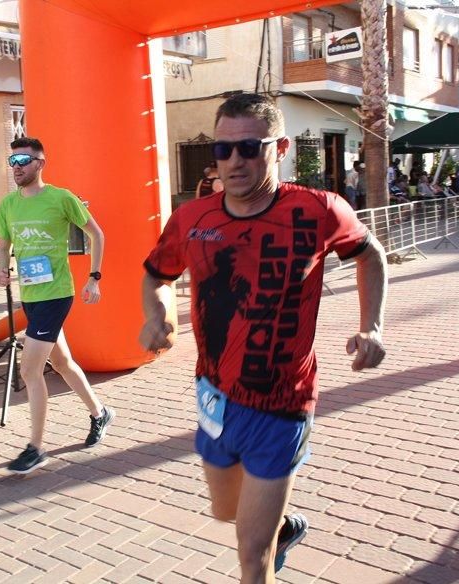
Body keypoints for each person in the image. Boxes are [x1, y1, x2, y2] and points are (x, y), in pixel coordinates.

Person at [139, 93, 388, 583]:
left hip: (283, 402)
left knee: (251, 554)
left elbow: (370, 253)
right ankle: (283, 527)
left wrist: (372, 325)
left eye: (250, 148)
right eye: (223, 150)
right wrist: (156, 316)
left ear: (281, 148)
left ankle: (268, 542)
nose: (234, 161)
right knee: (226, 511)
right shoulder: (192, 219)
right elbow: (155, 275)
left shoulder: (318, 210)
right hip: (213, 396)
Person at [0, 136, 115, 474]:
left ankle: (35, 448)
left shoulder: (61, 198)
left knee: (30, 370)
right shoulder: (8, 205)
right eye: (12, 161)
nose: (16, 168)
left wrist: (95, 277)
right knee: (62, 363)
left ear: (40, 164)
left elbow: (97, 234)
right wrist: (0, 267)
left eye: (23, 161)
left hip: (56, 293)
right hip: (30, 295)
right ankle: (100, 413)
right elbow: (4, 245)